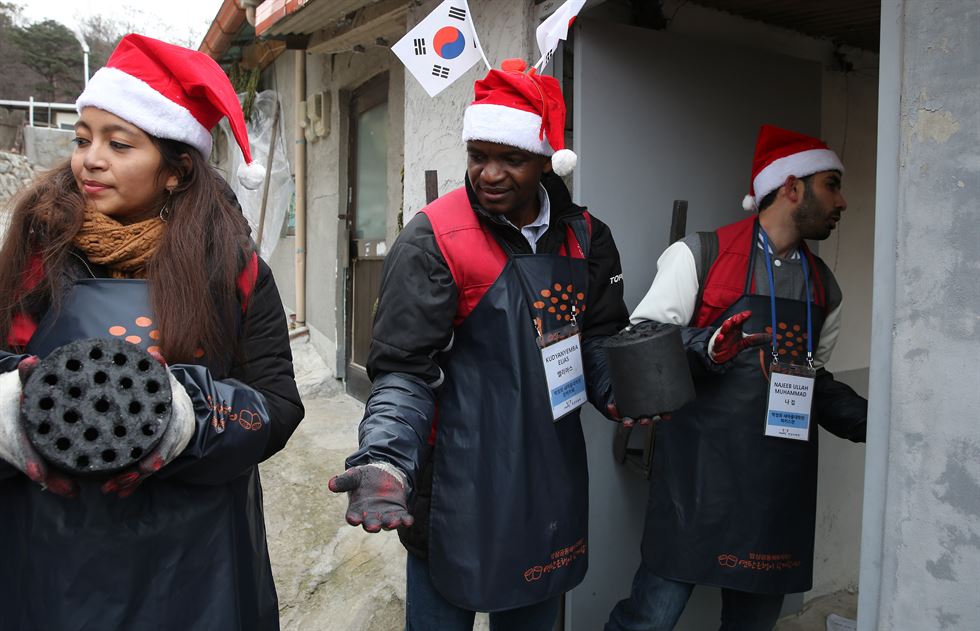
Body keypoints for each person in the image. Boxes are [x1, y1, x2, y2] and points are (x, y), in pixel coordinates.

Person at [0, 34, 303, 630]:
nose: (90, 159)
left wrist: (193, 416)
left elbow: (278, 405)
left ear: (175, 169)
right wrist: (11, 403)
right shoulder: (35, 254)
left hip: (194, 562)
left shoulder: (232, 268)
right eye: (83, 139)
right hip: (50, 556)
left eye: (119, 144)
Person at [327, 58, 631, 630]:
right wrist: (388, 456)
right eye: (478, 155)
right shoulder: (434, 239)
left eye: (510, 158)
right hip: (457, 485)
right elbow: (403, 372)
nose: (489, 173)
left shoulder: (587, 237)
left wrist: (623, 395)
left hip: (550, 475)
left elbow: (600, 337)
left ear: (545, 160)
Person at [606, 125, 868, 631]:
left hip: (777, 487)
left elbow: (810, 379)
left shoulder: (825, 289)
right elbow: (638, 341)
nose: (843, 202)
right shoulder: (700, 254)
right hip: (696, 480)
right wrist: (705, 346)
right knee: (648, 621)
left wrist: (875, 423)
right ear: (793, 187)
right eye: (832, 184)